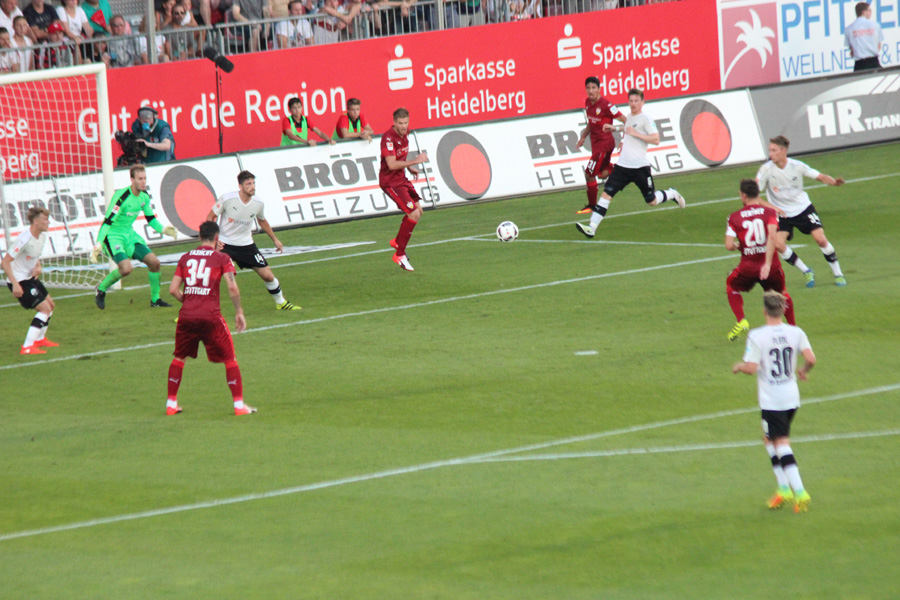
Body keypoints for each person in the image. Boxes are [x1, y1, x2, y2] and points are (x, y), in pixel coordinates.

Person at [732, 291, 816, 513]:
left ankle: (799, 492)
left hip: (772, 400)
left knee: (781, 444)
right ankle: (783, 489)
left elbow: (751, 368)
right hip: (791, 396)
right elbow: (811, 359)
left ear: (764, 311)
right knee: (769, 440)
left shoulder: (758, 336)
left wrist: (739, 366)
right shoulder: (796, 332)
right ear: (782, 310)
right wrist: (803, 371)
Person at [166, 221, 255, 416]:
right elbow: (232, 286)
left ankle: (171, 404)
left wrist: (189, 302)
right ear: (217, 238)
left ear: (199, 237)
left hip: (187, 316)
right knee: (230, 359)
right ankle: (239, 406)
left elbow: (173, 289)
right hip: (211, 316)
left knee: (180, 357)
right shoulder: (222, 258)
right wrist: (239, 311)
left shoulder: (185, 258)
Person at [575, 88, 685, 239]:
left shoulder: (646, 119)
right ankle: (592, 228)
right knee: (607, 193)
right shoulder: (629, 117)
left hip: (640, 168)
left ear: (642, 102)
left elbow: (656, 139)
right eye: (631, 101)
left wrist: (636, 134)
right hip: (622, 167)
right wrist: (614, 128)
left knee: (651, 200)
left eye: (636, 101)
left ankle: (672, 193)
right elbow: (628, 128)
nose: (633, 104)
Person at [756, 135, 846, 287]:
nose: (770, 154)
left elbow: (820, 176)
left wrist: (834, 182)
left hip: (803, 209)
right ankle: (806, 271)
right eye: (770, 150)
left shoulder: (797, 166)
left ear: (783, 151)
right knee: (778, 244)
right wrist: (772, 208)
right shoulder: (765, 170)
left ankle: (838, 274)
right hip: (781, 213)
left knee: (820, 239)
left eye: (774, 150)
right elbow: (755, 196)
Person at [206, 170, 301, 310]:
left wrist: (275, 239)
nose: (252, 187)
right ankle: (192, 310)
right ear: (240, 186)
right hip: (225, 244)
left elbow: (262, 221)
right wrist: (215, 239)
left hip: (246, 245)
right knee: (212, 277)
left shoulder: (258, 203)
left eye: (253, 183)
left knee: (268, 276)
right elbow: (210, 217)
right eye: (248, 184)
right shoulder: (227, 199)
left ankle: (281, 303)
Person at [92, 165, 178, 309]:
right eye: (140, 179)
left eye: (145, 178)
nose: (143, 182)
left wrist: (163, 229)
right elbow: (107, 221)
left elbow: (150, 219)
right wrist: (99, 242)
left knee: (154, 262)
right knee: (126, 269)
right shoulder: (121, 197)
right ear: (132, 179)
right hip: (113, 236)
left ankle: (155, 300)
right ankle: (101, 289)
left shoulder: (144, 197)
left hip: (129, 235)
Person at [725, 179, 796, 341]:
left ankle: (741, 320)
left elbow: (728, 245)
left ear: (743, 195)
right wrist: (768, 263)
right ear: (758, 194)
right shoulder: (770, 213)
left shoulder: (734, 218)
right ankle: (793, 328)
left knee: (731, 286)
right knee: (782, 294)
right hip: (770, 267)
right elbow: (772, 236)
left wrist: (739, 245)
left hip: (747, 267)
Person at [2, 207, 58, 355]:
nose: (48, 222)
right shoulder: (23, 239)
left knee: (51, 305)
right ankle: (26, 347)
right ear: (35, 221)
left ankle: (40, 339)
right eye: (45, 219)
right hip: (20, 280)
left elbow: (34, 255)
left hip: (30, 277)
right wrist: (15, 284)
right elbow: (5, 262)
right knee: (44, 309)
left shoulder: (42, 236)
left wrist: (38, 266)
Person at [380, 107, 429, 271]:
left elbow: (400, 157)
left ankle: (397, 241)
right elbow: (392, 164)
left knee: (419, 211)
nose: (403, 126)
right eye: (400, 123)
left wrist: (409, 168)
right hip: (390, 182)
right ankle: (399, 254)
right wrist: (414, 161)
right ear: (394, 122)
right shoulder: (388, 138)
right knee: (413, 213)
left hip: (401, 178)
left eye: (406, 123)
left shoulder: (406, 135)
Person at [574, 76, 627, 215]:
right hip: (596, 145)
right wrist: (583, 136)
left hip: (604, 146)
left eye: (593, 88)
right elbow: (591, 123)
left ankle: (592, 206)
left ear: (599, 89)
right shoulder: (587, 103)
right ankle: (623, 170)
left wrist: (623, 140)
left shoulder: (607, 106)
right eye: (588, 88)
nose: (590, 91)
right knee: (603, 174)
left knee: (589, 174)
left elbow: (626, 121)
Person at [844, 1, 882, 71]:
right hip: (874, 61)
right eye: (869, 10)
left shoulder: (849, 29)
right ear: (864, 12)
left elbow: (851, 50)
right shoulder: (875, 25)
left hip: (859, 64)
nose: (871, 13)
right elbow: (879, 46)